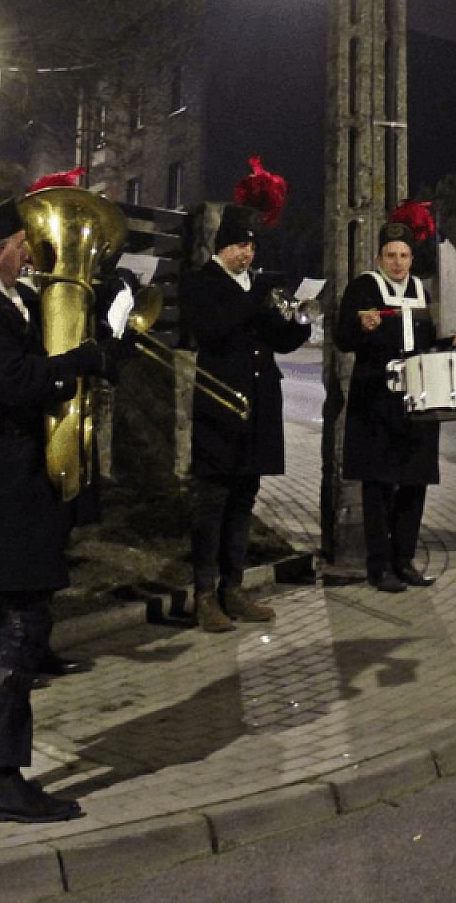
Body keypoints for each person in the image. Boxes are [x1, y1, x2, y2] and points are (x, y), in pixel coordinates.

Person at [0, 166, 132, 823]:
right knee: (19, 631)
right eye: (22, 242)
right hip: (1, 501)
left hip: (1, 499)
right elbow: (19, 382)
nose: (31, 251)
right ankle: (1, 778)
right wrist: (82, 363)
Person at [186, 191, 312, 632]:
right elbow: (214, 332)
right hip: (221, 405)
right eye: (240, 245)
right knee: (212, 503)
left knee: (243, 499)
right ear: (222, 245)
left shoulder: (252, 287)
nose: (247, 253)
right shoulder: (205, 281)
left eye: (252, 246)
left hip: (257, 405)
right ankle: (204, 594)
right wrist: (255, 297)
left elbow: (279, 339)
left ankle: (233, 588)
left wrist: (300, 320)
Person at [334, 218, 456, 592]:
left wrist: (451, 344)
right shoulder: (364, 287)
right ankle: (378, 566)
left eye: (405, 255)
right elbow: (342, 339)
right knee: (378, 488)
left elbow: (423, 344)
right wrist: (360, 326)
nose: (398, 262)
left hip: (417, 402)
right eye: (391, 255)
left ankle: (404, 560)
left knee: (414, 483)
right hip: (376, 402)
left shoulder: (420, 291)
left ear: (412, 258)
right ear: (379, 257)